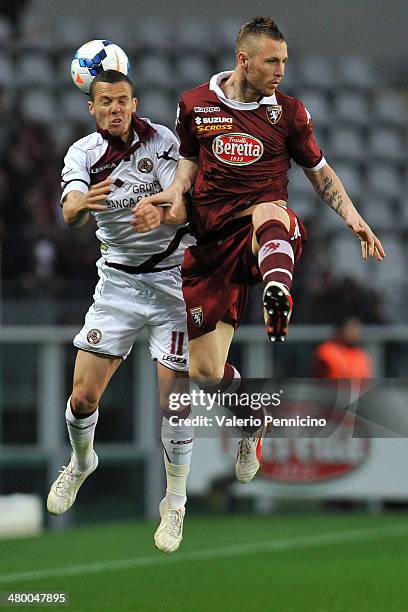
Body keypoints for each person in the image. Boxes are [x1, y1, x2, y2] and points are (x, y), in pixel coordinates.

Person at [132, 16, 385, 485]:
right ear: (244, 59)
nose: (281, 70)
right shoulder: (194, 104)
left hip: (265, 235)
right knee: (204, 373)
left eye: (285, 61)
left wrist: (353, 218)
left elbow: (320, 171)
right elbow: (187, 165)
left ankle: (277, 291)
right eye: (273, 61)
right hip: (211, 246)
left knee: (271, 211)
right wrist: (172, 193)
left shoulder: (289, 113)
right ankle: (252, 420)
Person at [47, 69, 193, 554]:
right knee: (83, 396)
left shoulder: (165, 141)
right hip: (118, 285)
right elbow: (68, 210)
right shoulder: (83, 154)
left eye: (122, 100)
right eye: (105, 101)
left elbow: (187, 203)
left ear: (135, 103)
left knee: (174, 402)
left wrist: (163, 211)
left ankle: (174, 501)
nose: (114, 108)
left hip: (172, 282)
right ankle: (82, 462)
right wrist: (81, 202)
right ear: (92, 107)